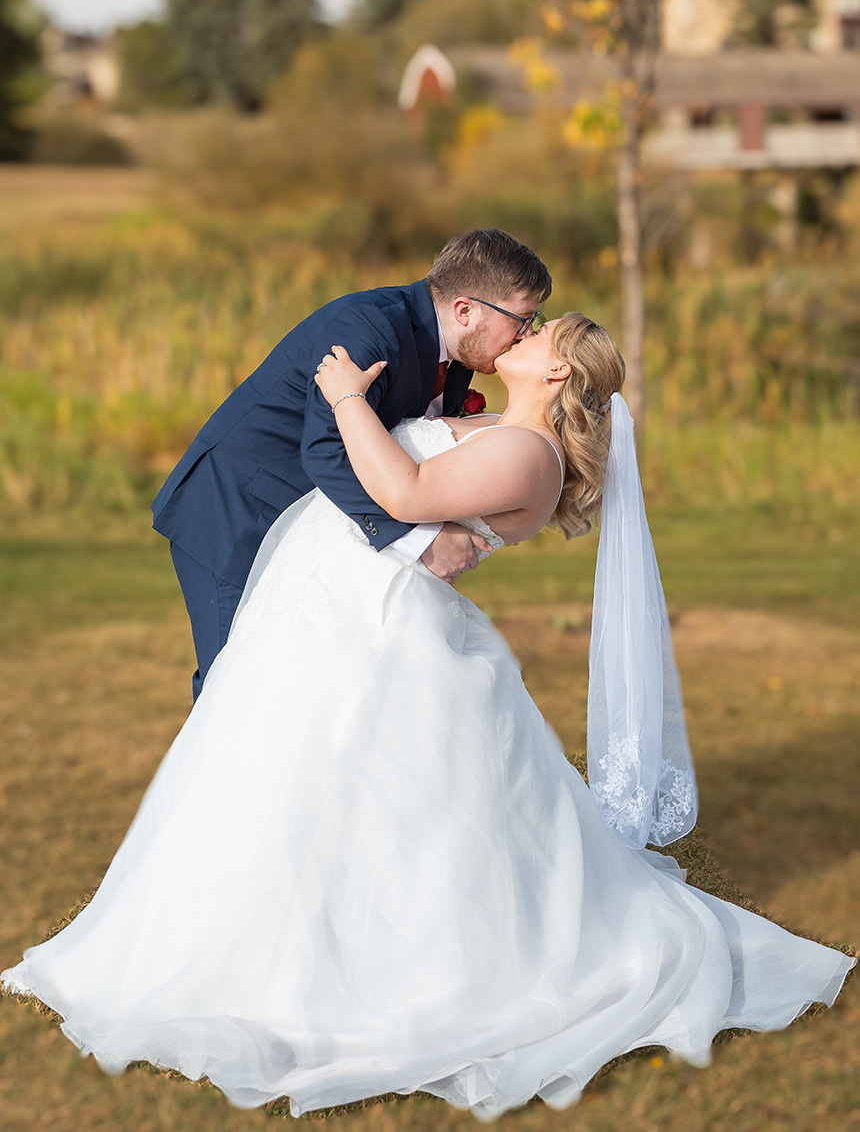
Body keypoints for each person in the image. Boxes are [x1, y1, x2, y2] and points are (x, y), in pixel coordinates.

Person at [2, 314, 854, 1120]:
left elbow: (405, 490)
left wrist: (344, 399)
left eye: (540, 333)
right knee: (277, 786)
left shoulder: (530, 454)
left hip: (378, 632)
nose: (523, 333)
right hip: (333, 612)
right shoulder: (497, 427)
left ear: (555, 368)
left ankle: (350, 971)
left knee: (361, 800)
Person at [151, 227, 551, 700]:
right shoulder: (369, 329)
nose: (525, 333)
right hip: (239, 512)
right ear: (466, 310)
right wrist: (422, 539)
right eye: (523, 319)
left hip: (318, 527)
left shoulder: (463, 350)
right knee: (238, 686)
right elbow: (326, 449)